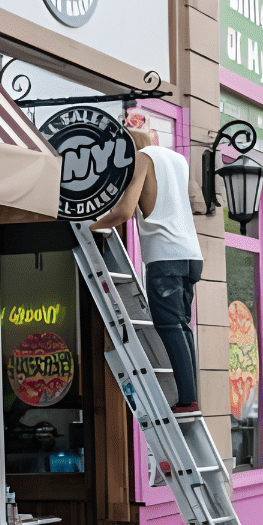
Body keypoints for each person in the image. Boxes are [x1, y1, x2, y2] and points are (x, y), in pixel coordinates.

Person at [91, 125, 203, 414]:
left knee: (168, 327)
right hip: (190, 255)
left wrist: (91, 225)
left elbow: (126, 211)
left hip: (164, 256)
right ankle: (190, 396)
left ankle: (187, 400)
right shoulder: (177, 159)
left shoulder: (143, 158)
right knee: (182, 326)